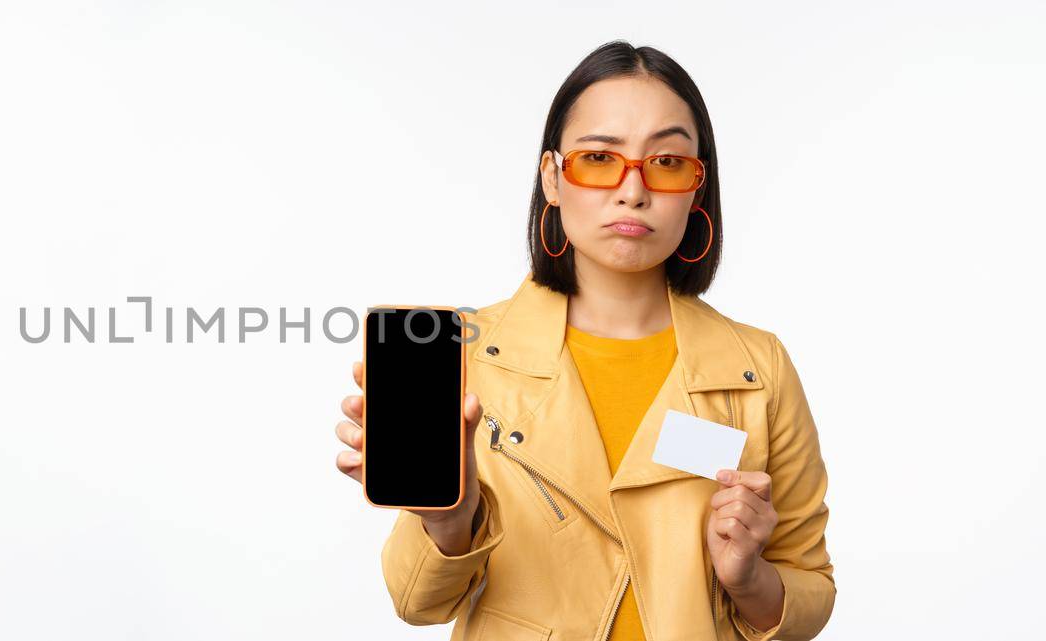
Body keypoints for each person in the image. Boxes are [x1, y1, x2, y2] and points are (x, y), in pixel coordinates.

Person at [332, 41, 834, 641]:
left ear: (697, 189)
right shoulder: (469, 357)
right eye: (599, 158)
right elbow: (416, 604)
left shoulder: (758, 369)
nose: (632, 190)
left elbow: (811, 589)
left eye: (667, 162)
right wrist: (450, 521)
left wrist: (748, 577)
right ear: (552, 176)